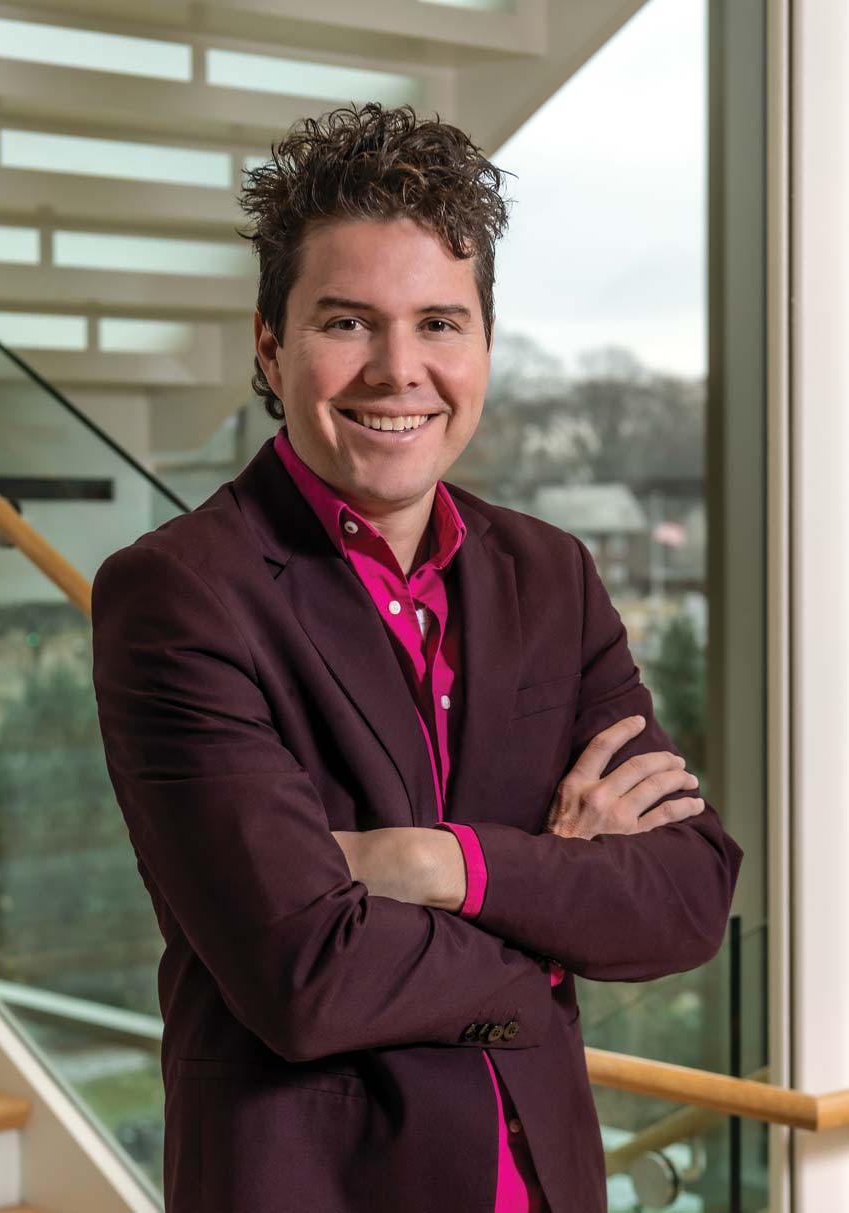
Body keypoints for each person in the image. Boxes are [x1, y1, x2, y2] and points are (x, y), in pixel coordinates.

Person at [91, 102, 744, 1213]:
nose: (399, 371)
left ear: (483, 344)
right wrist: (554, 906)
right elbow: (305, 974)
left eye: (439, 322)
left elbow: (686, 894)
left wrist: (444, 865)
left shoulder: (551, 573)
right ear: (270, 345)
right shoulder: (180, 594)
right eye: (348, 322)